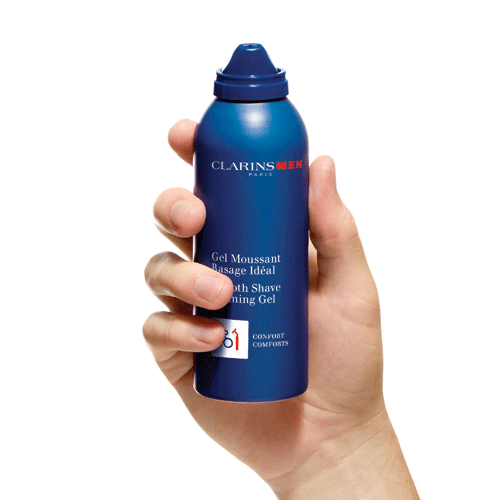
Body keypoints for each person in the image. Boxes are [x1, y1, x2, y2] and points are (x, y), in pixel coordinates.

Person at [143, 118, 421, 499]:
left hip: (312, 389)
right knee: (204, 263)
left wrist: (350, 441)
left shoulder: (283, 128)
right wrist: (329, 460)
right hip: (229, 348)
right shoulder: (224, 127)